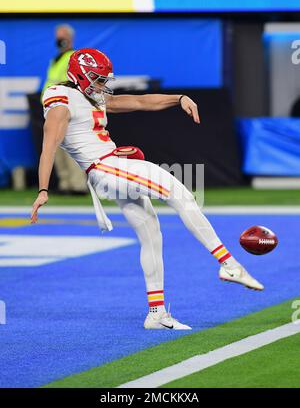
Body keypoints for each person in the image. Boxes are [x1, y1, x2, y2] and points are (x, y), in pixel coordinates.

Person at [31, 49, 264, 330]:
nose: (101, 85)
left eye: (104, 79)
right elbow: (49, 146)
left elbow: (139, 101)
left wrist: (178, 99)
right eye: (97, 78)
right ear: (80, 75)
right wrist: (43, 189)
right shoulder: (61, 100)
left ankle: (156, 312)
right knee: (179, 193)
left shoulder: (90, 95)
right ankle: (228, 264)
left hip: (111, 167)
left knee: (151, 233)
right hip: (105, 167)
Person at [42, 24, 87, 194]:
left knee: (70, 146)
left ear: (70, 38)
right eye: (58, 36)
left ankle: (78, 185)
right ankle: (65, 184)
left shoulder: (72, 57)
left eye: (63, 36)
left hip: (65, 107)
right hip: (52, 107)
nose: (59, 39)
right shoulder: (56, 59)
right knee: (56, 147)